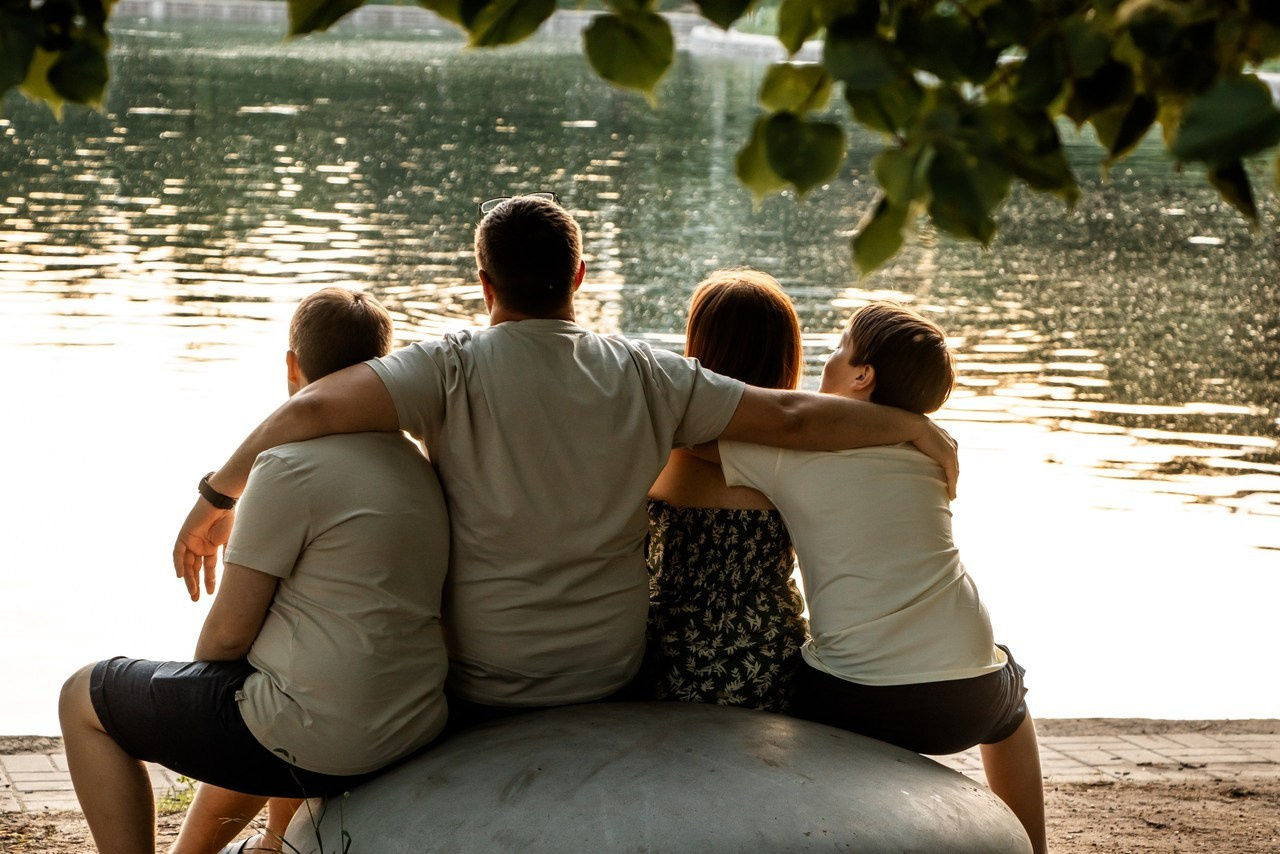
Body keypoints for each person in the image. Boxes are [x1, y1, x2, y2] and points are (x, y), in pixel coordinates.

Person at [172, 195, 959, 726]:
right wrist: (907, 425)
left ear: (485, 285)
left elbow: (310, 408)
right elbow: (789, 413)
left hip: (475, 675)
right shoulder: (648, 373)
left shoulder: (447, 365)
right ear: (579, 278)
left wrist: (216, 495)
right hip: (606, 671)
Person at [60, 287, 451, 854]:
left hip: (328, 744)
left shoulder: (287, 468)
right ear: (382, 368)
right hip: (407, 725)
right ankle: (262, 845)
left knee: (81, 697)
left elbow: (225, 638)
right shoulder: (419, 464)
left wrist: (192, 702)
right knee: (269, 692)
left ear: (293, 368)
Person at [716, 302, 1047, 853]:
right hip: (969, 698)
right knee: (1012, 703)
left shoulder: (785, 454)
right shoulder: (934, 456)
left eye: (841, 347)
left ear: (862, 376)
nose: (829, 357)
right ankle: (1035, 849)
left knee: (787, 668)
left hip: (854, 699)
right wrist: (916, 424)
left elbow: (688, 439)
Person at [645, 269, 807, 711]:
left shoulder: (663, 453)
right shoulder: (800, 460)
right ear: (785, 357)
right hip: (773, 666)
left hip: (672, 662)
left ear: (699, 352)